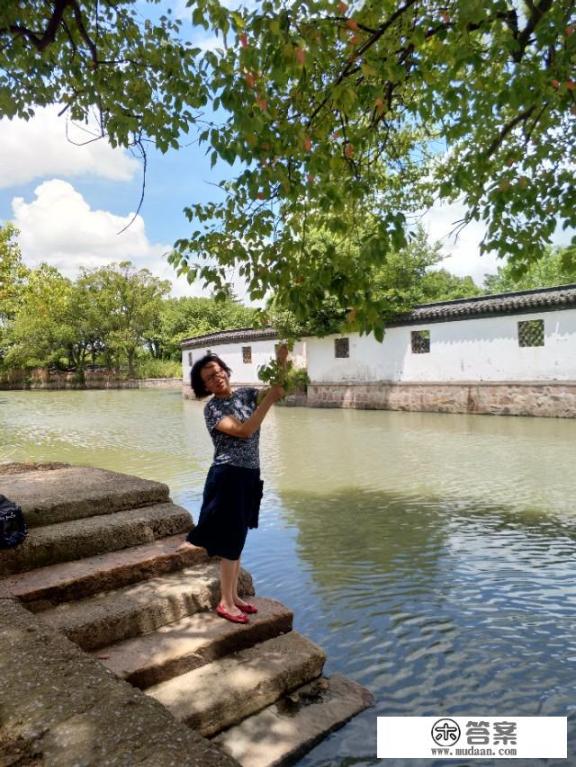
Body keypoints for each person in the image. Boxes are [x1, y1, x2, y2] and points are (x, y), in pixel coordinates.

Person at [181, 346, 287, 624]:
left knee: (238, 537)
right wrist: (270, 400)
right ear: (203, 386)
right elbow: (244, 430)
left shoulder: (246, 395)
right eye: (209, 377)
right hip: (228, 476)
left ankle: (235, 596)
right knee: (230, 540)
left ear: (226, 372)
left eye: (218, 371)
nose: (216, 378)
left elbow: (277, 389)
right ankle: (225, 603)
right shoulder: (213, 409)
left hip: (249, 474)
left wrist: (281, 360)